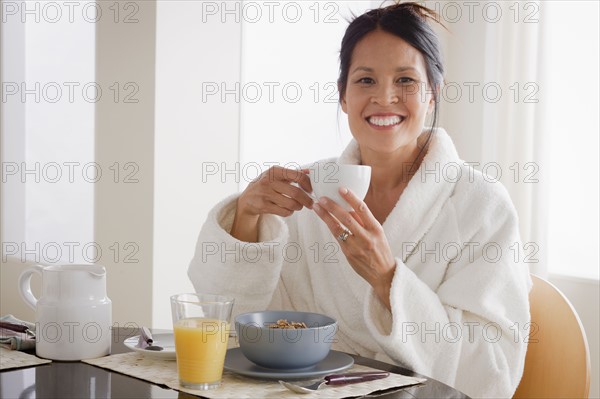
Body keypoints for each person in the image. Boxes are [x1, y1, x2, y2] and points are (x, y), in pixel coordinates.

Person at [188, 3, 532, 398]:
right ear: (343, 96)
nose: (385, 97)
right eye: (365, 80)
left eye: (405, 80)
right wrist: (247, 216)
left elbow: (493, 372)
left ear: (434, 94)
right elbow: (238, 325)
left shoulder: (481, 206)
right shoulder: (312, 191)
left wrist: (387, 278)